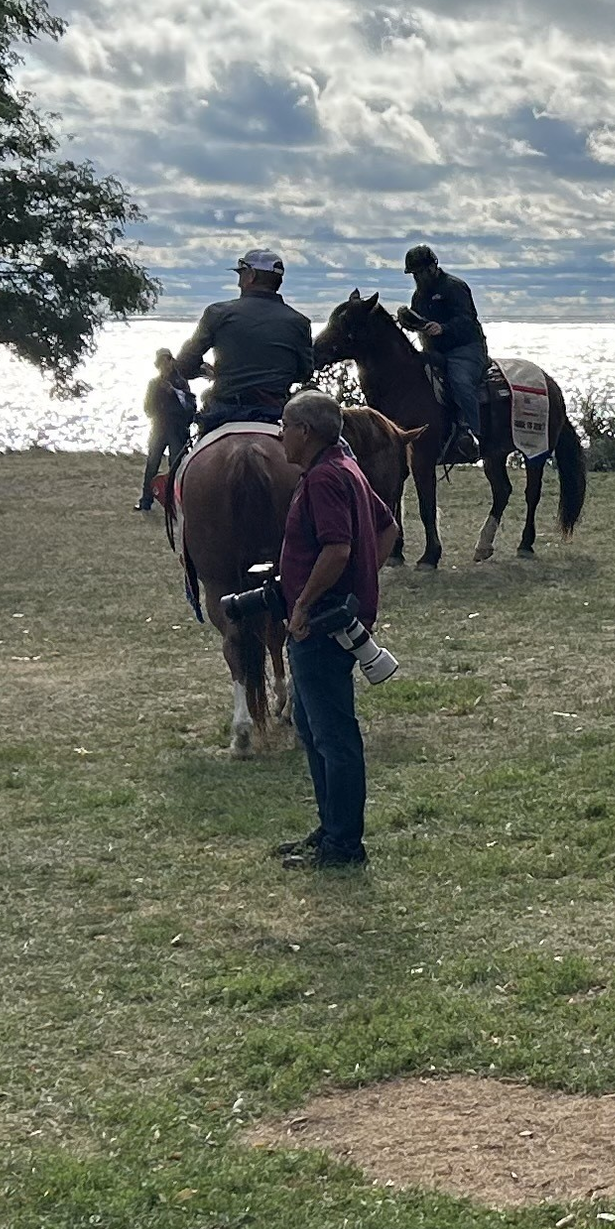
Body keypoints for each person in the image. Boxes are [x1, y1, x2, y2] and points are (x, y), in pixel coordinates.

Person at [272, 390, 381, 869]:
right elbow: (386, 526)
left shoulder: (323, 479)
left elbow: (336, 548)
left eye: (284, 426)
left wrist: (305, 603)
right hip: (335, 617)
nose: (280, 435)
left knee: (332, 734)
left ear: (306, 432)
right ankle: (331, 827)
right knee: (310, 725)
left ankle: (344, 845)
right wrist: (365, 583)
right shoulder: (347, 468)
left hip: (320, 625)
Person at [167, 249, 318, 428]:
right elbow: (304, 372)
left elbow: (185, 364)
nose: (239, 282)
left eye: (241, 274)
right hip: (275, 413)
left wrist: (203, 371)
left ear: (251, 276)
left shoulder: (217, 313)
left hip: (224, 411)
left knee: (188, 455)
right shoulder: (299, 322)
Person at [403, 246, 486, 461]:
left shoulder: (455, 287)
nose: (417, 278)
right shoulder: (419, 297)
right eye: (414, 274)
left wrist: (444, 328)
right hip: (434, 351)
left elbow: (467, 320)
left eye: (420, 272)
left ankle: (472, 434)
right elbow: (418, 321)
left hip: (465, 349)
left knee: (460, 381)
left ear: (433, 268)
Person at [140, 348, 193, 512]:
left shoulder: (181, 383)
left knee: (176, 466)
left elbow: (189, 407)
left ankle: (174, 502)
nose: (165, 364)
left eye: (168, 360)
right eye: (162, 361)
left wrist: (174, 394)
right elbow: (147, 408)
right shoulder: (153, 384)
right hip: (159, 429)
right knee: (152, 465)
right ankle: (146, 501)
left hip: (176, 430)